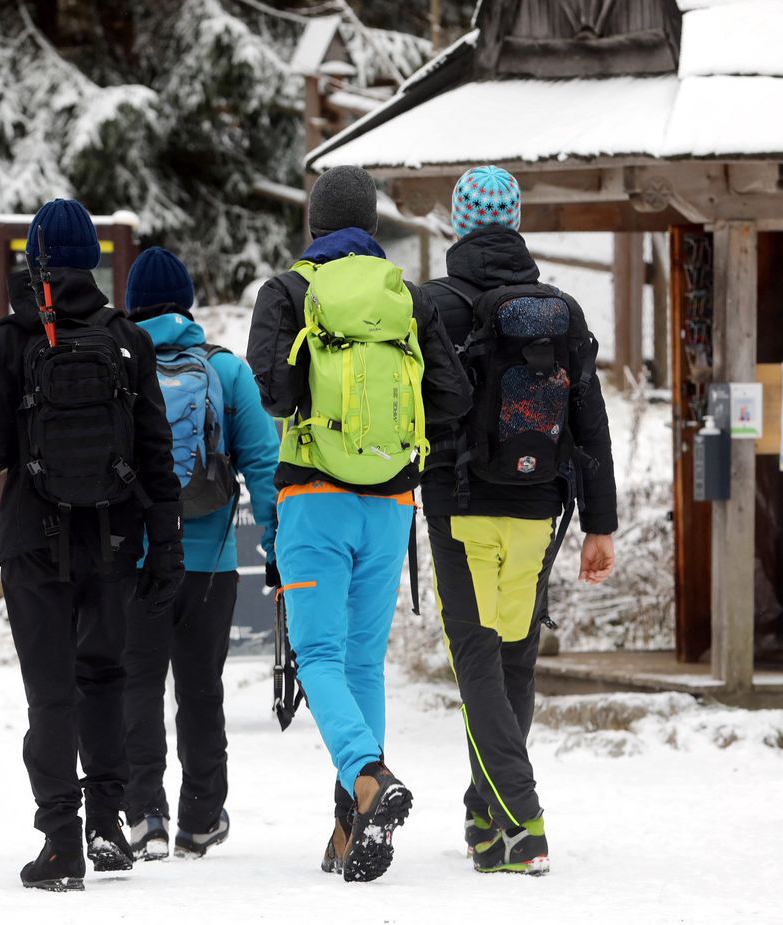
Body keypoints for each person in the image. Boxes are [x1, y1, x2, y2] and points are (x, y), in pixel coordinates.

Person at [248, 166, 471, 882]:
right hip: (391, 505)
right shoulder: (406, 298)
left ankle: (366, 777)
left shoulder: (287, 292)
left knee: (316, 655)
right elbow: (453, 396)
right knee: (361, 661)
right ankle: (351, 825)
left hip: (314, 498)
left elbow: (274, 394)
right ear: (372, 226)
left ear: (313, 223)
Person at [0, 199, 185, 892]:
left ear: (34, 260)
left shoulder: (10, 339)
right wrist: (166, 544)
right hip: (113, 538)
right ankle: (108, 823)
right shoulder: (127, 338)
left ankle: (61, 843)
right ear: (93, 257)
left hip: (33, 540)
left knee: (50, 692)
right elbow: (156, 453)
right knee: (104, 677)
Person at [420, 165, 617, 875]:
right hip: (540, 508)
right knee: (513, 658)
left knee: (475, 657)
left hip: (460, 506)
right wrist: (602, 524)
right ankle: (486, 816)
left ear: (456, 222)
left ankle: (522, 819)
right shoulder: (558, 310)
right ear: (516, 220)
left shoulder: (433, 305)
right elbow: (590, 422)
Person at [120, 247, 280, 861]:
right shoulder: (225, 370)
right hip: (209, 564)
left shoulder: (120, 361)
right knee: (201, 690)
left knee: (137, 686)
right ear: (186, 304)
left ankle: (144, 816)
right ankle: (202, 817)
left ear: (133, 305)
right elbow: (263, 463)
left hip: (137, 561)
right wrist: (274, 543)